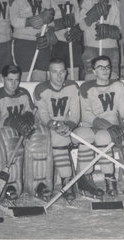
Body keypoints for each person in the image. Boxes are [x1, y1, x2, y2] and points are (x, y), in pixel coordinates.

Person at [80, 55, 124, 198]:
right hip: (96, 127)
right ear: (94, 71)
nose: (105, 70)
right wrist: (106, 125)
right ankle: (110, 179)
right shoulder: (86, 87)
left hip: (116, 128)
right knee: (104, 137)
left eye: (107, 67)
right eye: (100, 67)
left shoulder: (117, 85)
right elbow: (86, 114)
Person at [0, 64, 53, 201]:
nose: (13, 84)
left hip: (23, 132)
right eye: (10, 80)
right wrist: (10, 122)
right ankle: (10, 186)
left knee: (40, 135)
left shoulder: (23, 93)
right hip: (4, 136)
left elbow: (32, 113)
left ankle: (38, 184)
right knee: (11, 139)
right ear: (3, 79)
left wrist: (28, 119)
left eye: (16, 80)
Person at [33, 58, 97, 202]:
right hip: (48, 128)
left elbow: (75, 113)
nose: (59, 75)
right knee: (59, 138)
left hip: (68, 126)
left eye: (62, 71)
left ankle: (84, 178)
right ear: (49, 73)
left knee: (87, 134)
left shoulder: (72, 86)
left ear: (66, 72)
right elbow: (43, 115)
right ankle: (66, 180)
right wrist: (55, 125)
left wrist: (69, 125)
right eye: (55, 72)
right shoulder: (41, 89)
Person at [9, 0, 55, 81]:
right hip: (23, 43)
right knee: (24, 81)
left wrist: (48, 37)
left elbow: (50, 24)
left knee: (41, 81)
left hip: (42, 42)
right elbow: (13, 21)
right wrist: (36, 20)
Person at [79, 0, 121, 80]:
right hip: (91, 48)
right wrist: (93, 15)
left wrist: (111, 31)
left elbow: (121, 28)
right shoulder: (87, 1)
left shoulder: (116, 3)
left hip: (111, 48)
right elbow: (81, 26)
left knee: (112, 80)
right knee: (91, 81)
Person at [49, 0, 83, 79]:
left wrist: (77, 31)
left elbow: (78, 20)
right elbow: (47, 23)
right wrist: (60, 23)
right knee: (57, 76)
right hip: (57, 44)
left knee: (74, 76)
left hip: (72, 42)